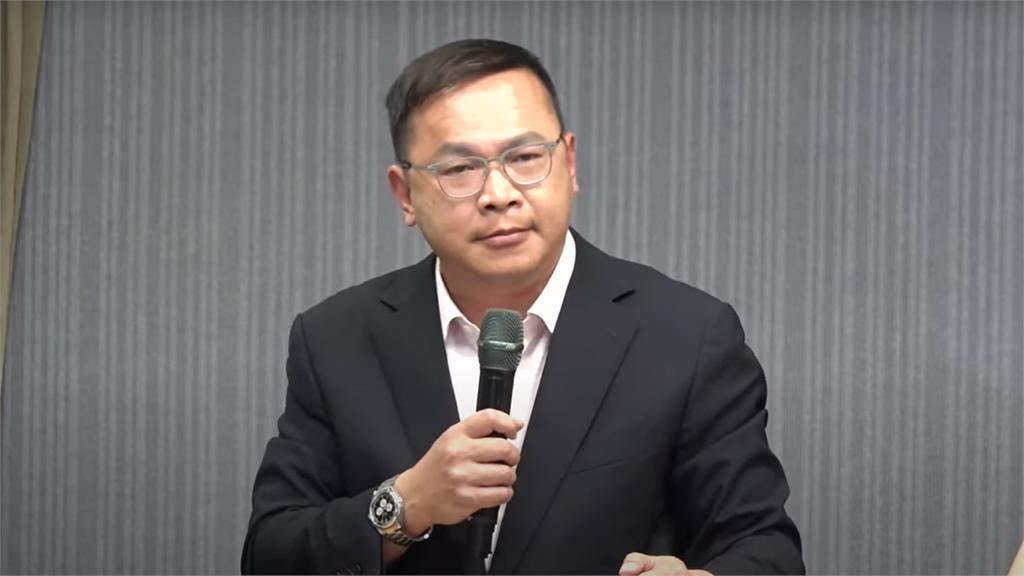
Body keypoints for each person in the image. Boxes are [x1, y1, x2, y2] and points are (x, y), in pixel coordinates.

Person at [241, 38, 803, 575]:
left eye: (527, 156)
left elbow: (763, 547)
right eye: (459, 169)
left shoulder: (685, 335)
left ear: (570, 162)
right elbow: (270, 555)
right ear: (405, 194)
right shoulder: (336, 339)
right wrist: (407, 504)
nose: (499, 194)